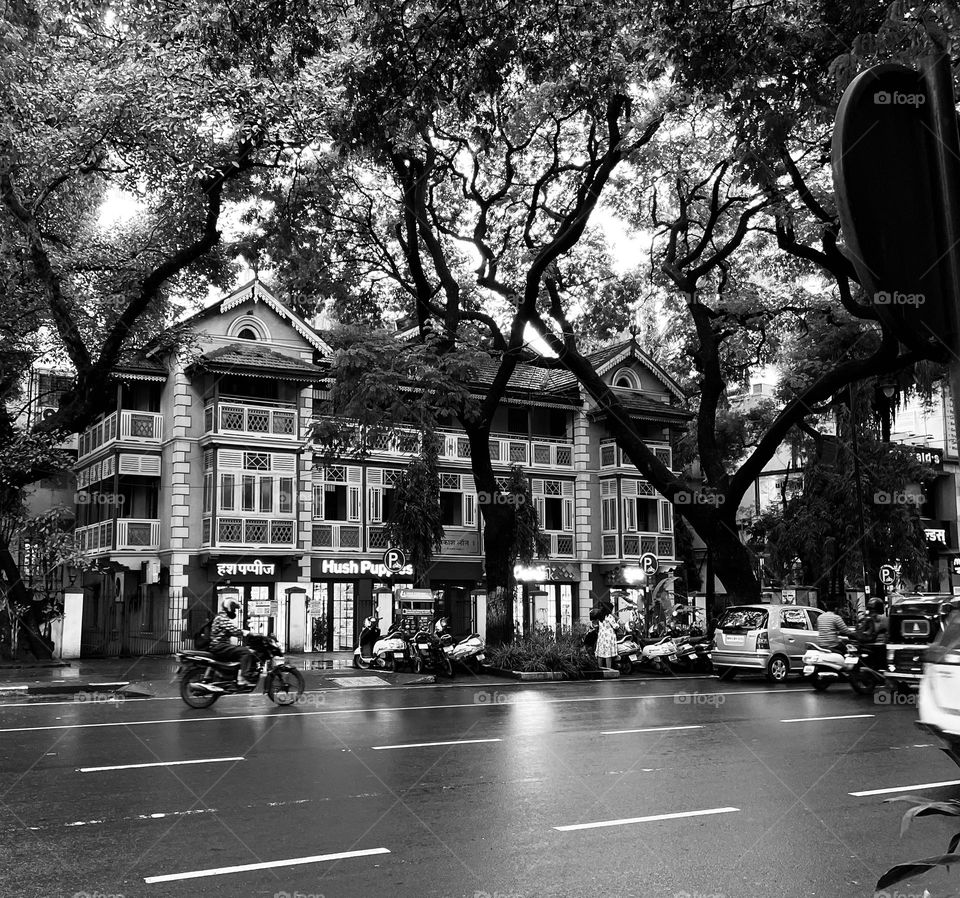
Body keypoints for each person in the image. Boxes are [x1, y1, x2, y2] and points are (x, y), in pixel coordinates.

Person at [209, 598, 257, 687]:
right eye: (234, 609)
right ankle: (243, 678)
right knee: (245, 652)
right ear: (229, 608)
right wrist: (247, 633)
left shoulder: (221, 617)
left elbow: (231, 631)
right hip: (219, 645)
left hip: (221, 645)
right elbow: (234, 630)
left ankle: (232, 677)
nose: (234, 612)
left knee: (238, 651)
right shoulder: (222, 618)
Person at [595, 605, 619, 670]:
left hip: (601, 636)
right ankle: (609, 669)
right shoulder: (609, 616)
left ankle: (600, 668)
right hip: (608, 636)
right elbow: (615, 626)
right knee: (608, 654)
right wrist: (618, 623)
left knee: (600, 653)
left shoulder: (600, 616)